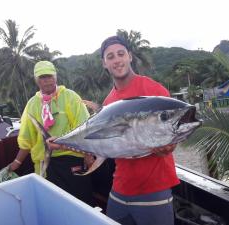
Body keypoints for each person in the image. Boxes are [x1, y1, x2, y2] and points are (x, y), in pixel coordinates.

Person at [99, 36, 180, 225]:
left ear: (130, 56)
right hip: (119, 189)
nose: (116, 60)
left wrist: (171, 145)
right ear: (104, 63)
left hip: (154, 190)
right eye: (110, 57)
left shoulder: (154, 91)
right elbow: (107, 144)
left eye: (121, 54)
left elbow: (172, 129)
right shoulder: (108, 103)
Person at [9, 60, 94, 206]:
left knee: (80, 203)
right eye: (42, 77)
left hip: (71, 157)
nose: (47, 80)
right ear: (36, 80)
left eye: (49, 76)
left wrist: (88, 155)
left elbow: (84, 128)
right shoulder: (32, 104)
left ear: (55, 77)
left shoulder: (70, 97)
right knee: (54, 204)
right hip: (44, 163)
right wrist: (16, 162)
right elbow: (27, 138)